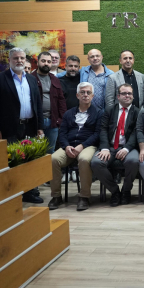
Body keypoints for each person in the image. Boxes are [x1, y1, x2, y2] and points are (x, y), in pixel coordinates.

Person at [0, 47, 44, 203]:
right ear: (9, 60)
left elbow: (38, 104)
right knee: (12, 161)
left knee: (29, 161)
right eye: (16, 58)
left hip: (30, 127)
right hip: (9, 128)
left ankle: (30, 192)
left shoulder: (31, 79)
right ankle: (12, 195)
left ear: (25, 60)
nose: (19, 61)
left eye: (22, 58)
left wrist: (39, 127)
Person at [48, 82, 102, 211]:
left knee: (84, 159)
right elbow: (62, 133)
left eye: (88, 92)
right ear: (77, 95)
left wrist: (82, 146)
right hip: (69, 146)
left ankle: (84, 197)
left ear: (92, 96)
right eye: (82, 92)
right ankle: (56, 196)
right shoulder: (68, 113)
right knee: (53, 159)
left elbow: (97, 134)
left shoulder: (99, 113)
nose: (85, 95)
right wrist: (66, 146)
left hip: (88, 146)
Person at [91, 83, 141, 205]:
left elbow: (136, 132)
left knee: (133, 161)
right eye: (124, 93)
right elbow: (103, 129)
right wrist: (104, 148)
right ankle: (115, 191)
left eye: (129, 93)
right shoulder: (109, 110)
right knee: (96, 163)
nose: (127, 96)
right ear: (118, 96)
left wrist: (127, 149)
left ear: (133, 96)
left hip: (128, 147)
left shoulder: (137, 112)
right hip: (109, 146)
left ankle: (126, 191)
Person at [35, 52, 67, 154]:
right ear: (38, 62)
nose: (46, 63)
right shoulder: (30, 78)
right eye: (43, 61)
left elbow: (61, 101)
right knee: (36, 152)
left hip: (53, 122)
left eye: (49, 61)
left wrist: (61, 120)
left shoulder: (55, 79)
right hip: (35, 123)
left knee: (50, 152)